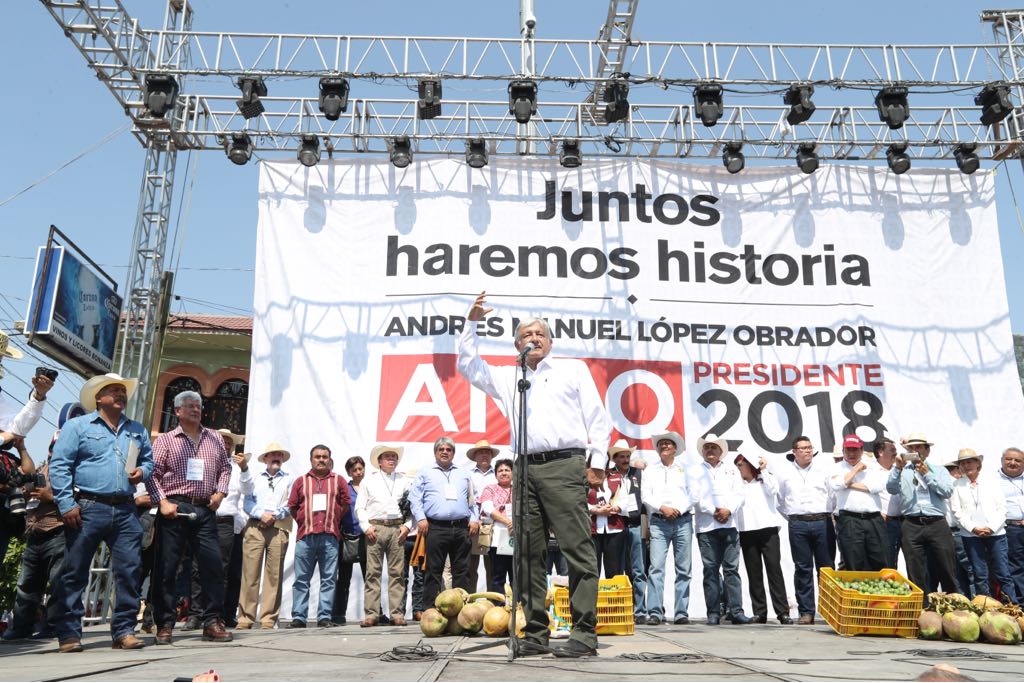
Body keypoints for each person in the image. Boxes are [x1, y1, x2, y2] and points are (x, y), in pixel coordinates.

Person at [458, 293, 612, 658]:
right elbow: (468, 365)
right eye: (527, 334)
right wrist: (472, 323)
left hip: (564, 465)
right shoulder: (510, 376)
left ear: (551, 341)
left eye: (540, 333)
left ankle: (584, 633)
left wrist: (598, 461)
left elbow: (597, 417)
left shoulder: (572, 369)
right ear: (517, 344)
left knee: (577, 549)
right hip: (524, 467)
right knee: (527, 552)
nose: (534, 338)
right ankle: (536, 633)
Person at [48, 373, 154, 653]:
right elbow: (60, 466)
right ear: (98, 398)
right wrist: (67, 504)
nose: (121, 394)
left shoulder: (137, 430)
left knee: (130, 571)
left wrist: (142, 471)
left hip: (126, 508)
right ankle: (69, 634)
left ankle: (124, 631)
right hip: (87, 507)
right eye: (113, 390)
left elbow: (148, 461)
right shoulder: (77, 426)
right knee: (74, 571)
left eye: (123, 390)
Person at [146, 390, 233, 645]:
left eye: (198, 406)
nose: (196, 409)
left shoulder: (214, 437)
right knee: (167, 568)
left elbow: (226, 468)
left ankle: (211, 621)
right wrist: (162, 502)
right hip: (175, 508)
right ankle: (164, 624)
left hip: (205, 509)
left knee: (213, 566)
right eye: (189, 406)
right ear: (178, 411)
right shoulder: (166, 440)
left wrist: (220, 492)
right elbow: (152, 473)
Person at [2, 436, 64, 641]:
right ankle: (21, 627)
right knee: (26, 584)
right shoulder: (42, 470)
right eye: (54, 448)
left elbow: (79, 502)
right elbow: (26, 478)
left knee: (58, 583)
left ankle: (52, 626)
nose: (56, 453)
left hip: (58, 531)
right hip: (34, 533)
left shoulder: (73, 473)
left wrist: (51, 498)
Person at [287, 444, 351, 628]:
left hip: (330, 537)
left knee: (329, 579)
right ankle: (299, 617)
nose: (321, 459)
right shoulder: (301, 481)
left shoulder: (339, 481)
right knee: (301, 580)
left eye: (324, 456)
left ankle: (324, 617)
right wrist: (304, 520)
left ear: (330, 459)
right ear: (311, 459)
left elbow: (345, 504)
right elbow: (292, 506)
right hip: (306, 537)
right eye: (317, 456)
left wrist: (334, 517)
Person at [886, 433, 957, 600]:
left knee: (946, 565)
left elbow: (947, 491)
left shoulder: (939, 470)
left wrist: (927, 475)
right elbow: (891, 488)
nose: (915, 450)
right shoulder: (902, 470)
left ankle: (953, 606)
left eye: (919, 447)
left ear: (927, 450)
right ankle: (922, 606)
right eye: (911, 448)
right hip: (911, 523)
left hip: (937, 522)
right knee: (915, 567)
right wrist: (897, 468)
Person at [410, 437, 480, 607]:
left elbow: (473, 500)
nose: (445, 452)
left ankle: (462, 611)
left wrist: (474, 519)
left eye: (449, 449)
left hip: (461, 528)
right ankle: (429, 610)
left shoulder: (463, 473)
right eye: (441, 449)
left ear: (453, 453)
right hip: (435, 527)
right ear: (435, 452)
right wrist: (421, 518)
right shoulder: (425, 472)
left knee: (462, 572)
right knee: (433, 570)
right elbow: (415, 498)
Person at [690, 433, 751, 625]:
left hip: (730, 525)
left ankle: (736, 611)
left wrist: (728, 510)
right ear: (702, 451)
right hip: (707, 526)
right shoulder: (694, 471)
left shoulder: (732, 470)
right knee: (710, 569)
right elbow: (695, 497)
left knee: (732, 569)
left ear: (720, 451)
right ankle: (713, 612)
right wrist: (715, 511)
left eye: (713, 447)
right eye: (707, 447)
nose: (710, 450)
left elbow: (739, 494)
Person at [775, 435, 835, 625]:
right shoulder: (784, 473)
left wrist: (825, 514)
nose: (808, 451)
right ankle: (806, 611)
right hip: (798, 524)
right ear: (794, 452)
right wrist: (795, 516)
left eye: (810, 447)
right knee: (802, 568)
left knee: (826, 568)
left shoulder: (822, 470)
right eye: (803, 448)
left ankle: (829, 611)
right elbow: (780, 501)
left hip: (822, 521)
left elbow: (832, 496)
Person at [948, 449, 1019, 604]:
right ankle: (985, 608)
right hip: (971, 536)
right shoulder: (956, 485)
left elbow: (1002, 508)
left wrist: (991, 528)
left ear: (978, 464)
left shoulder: (991, 481)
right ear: (959, 466)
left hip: (996, 534)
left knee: (1003, 573)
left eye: (970, 462)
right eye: (963, 463)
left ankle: (1013, 608)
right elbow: (957, 512)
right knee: (980, 574)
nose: (967, 466)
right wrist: (974, 528)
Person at [237, 442, 293, 629]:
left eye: (279, 454)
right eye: (272, 454)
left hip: (278, 528)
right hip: (255, 526)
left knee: (274, 575)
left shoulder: (289, 479)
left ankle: (268, 619)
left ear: (283, 459)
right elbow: (247, 502)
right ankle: (245, 619)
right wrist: (262, 515)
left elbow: (291, 503)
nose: (276, 457)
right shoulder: (255, 478)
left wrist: (274, 516)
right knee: (250, 574)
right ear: (265, 459)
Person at [640, 432, 693, 626]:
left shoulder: (686, 470)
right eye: (661, 444)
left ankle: (681, 612)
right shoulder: (650, 471)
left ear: (675, 448)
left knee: (684, 569)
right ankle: (655, 612)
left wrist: (678, 509)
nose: (664, 446)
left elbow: (693, 495)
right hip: (659, 521)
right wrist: (663, 508)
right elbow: (645, 495)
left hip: (683, 520)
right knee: (656, 568)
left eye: (667, 444)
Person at [356, 444, 412, 627]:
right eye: (387, 456)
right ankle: (371, 614)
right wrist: (366, 527)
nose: (391, 459)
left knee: (397, 573)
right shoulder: (368, 481)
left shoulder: (404, 481)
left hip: (397, 528)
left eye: (394, 456)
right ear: (379, 461)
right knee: (373, 573)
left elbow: (412, 508)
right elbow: (360, 507)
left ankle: (397, 614)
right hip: (376, 528)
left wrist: (407, 526)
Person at [734, 453, 791, 624]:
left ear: (750, 465)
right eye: (737, 465)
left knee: (774, 570)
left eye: (741, 464)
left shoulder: (765, 479)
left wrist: (763, 469)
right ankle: (760, 612)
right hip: (747, 530)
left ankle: (782, 612)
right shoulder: (737, 484)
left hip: (768, 530)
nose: (739, 468)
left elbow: (774, 489)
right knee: (754, 573)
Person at [829, 434, 890, 571]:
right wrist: (856, 470)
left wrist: (848, 483)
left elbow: (876, 487)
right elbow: (837, 485)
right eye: (848, 450)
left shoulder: (873, 466)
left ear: (862, 450)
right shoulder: (836, 467)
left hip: (874, 518)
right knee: (853, 561)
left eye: (855, 450)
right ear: (843, 450)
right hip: (849, 519)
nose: (851, 453)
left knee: (880, 559)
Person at [608, 440, 647, 625]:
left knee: (638, 569)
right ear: (614, 459)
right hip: (616, 526)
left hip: (635, 524)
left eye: (627, 456)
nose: (625, 459)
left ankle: (640, 609)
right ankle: (620, 608)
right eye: (621, 456)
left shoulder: (638, 473)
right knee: (617, 569)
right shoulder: (609, 475)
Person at [333, 455, 366, 624]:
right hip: (346, 536)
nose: (358, 472)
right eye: (355, 470)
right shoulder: (344, 489)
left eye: (361, 469)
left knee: (371, 577)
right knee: (343, 577)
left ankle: (375, 613)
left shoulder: (370, 486)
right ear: (349, 472)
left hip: (367, 537)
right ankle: (338, 614)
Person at [465, 440, 498, 592]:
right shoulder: (467, 474)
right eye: (480, 452)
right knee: (470, 566)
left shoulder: (499, 474)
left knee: (493, 566)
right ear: (475, 456)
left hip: (494, 524)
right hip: (472, 523)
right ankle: (469, 602)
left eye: (487, 452)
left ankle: (493, 604)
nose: (484, 454)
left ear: (491, 456)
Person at [479, 458, 514, 593]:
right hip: (497, 537)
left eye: (507, 470)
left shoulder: (520, 490)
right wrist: (508, 522)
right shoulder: (490, 489)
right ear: (495, 474)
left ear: (513, 473)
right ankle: (498, 609)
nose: (504, 473)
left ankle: (516, 609)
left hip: (517, 537)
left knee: (516, 576)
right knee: (498, 577)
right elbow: (487, 508)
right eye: (500, 470)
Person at [942, 458, 975, 597]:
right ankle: (973, 599)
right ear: (955, 471)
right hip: (959, 531)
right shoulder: (955, 485)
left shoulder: (956, 485)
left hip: (955, 531)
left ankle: (965, 599)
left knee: (958, 570)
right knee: (968, 568)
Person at [588, 457, 625, 578]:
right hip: (592, 530)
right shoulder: (585, 477)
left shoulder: (617, 477)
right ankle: (593, 596)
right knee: (592, 568)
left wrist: (615, 508)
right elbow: (579, 501)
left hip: (614, 529)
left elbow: (625, 499)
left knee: (614, 569)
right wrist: (596, 510)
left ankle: (612, 596)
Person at [997, 447, 1024, 600]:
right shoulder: (993, 480)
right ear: (1002, 460)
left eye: (1018, 460)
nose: (1013, 463)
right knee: (1016, 567)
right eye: (1009, 459)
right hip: (1012, 528)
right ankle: (1020, 604)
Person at [874, 438, 903, 567]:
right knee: (889, 561)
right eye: (892, 450)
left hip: (906, 522)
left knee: (915, 561)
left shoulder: (900, 469)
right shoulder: (869, 471)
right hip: (886, 523)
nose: (895, 454)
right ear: (880, 452)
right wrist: (878, 514)